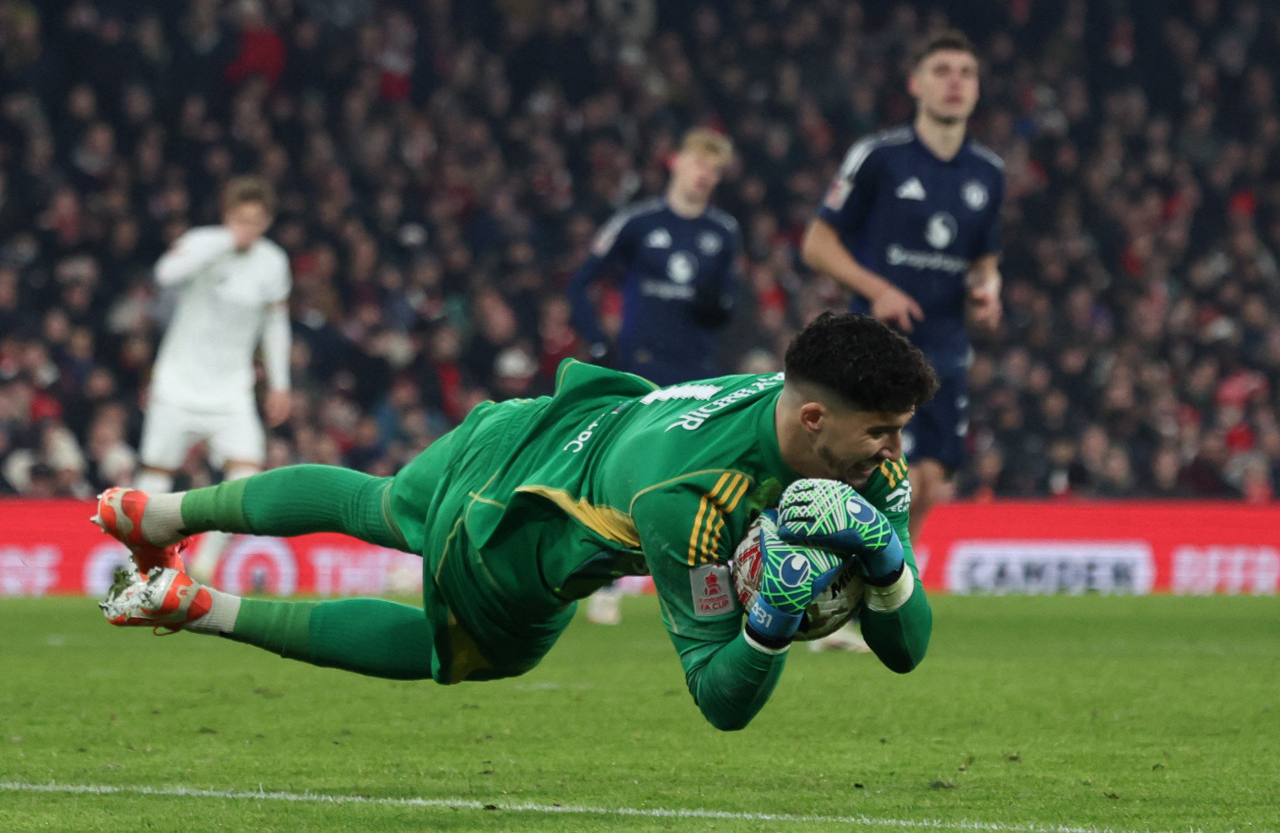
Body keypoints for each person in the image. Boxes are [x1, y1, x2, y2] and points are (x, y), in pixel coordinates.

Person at [95, 312, 937, 732]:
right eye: (882, 431)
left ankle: (156, 511)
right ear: (817, 419)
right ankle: (199, 605)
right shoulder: (692, 501)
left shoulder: (819, 424)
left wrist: (889, 558)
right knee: (454, 654)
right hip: (515, 529)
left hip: (526, 425)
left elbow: (906, 649)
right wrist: (767, 625)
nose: (895, 452)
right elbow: (720, 702)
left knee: (376, 503)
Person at [802, 29, 1004, 553]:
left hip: (947, 346)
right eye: (942, 71)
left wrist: (988, 288)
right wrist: (879, 290)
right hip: (878, 342)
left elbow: (984, 257)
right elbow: (817, 244)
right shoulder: (879, 156)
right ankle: (844, 588)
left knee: (931, 483)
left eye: (966, 72)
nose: (954, 82)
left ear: (978, 88)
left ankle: (889, 587)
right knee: (883, 477)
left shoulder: (989, 173)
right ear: (916, 83)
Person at [568, 127, 742, 624]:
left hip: (699, 374)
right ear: (676, 162)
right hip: (641, 367)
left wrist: (718, 307)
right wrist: (600, 343)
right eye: (698, 162)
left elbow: (726, 306)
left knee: (700, 482)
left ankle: (705, 587)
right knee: (627, 476)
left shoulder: (724, 232)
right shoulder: (638, 224)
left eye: (714, 167)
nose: (705, 173)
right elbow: (582, 284)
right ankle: (605, 579)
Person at [134, 176, 292, 581]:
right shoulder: (203, 242)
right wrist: (220, 244)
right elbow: (165, 274)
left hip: (230, 390)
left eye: (256, 221)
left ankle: (205, 564)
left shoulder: (273, 263)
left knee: (246, 480)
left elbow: (275, 323)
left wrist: (280, 383)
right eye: (240, 220)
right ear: (227, 216)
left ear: (268, 221)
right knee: (154, 478)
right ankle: (147, 568)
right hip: (178, 384)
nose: (247, 229)